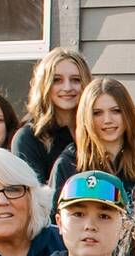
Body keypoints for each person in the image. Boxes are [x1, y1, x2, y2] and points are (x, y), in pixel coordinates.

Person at [49, 78, 135, 197]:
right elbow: (52, 214)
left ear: (128, 114)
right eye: (97, 113)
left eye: (116, 111)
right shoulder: (67, 166)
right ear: (86, 118)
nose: (107, 120)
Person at [12, 49, 91, 182]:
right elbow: (32, 196)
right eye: (57, 80)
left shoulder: (96, 131)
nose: (67, 87)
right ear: (44, 85)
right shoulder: (28, 138)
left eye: (76, 80)